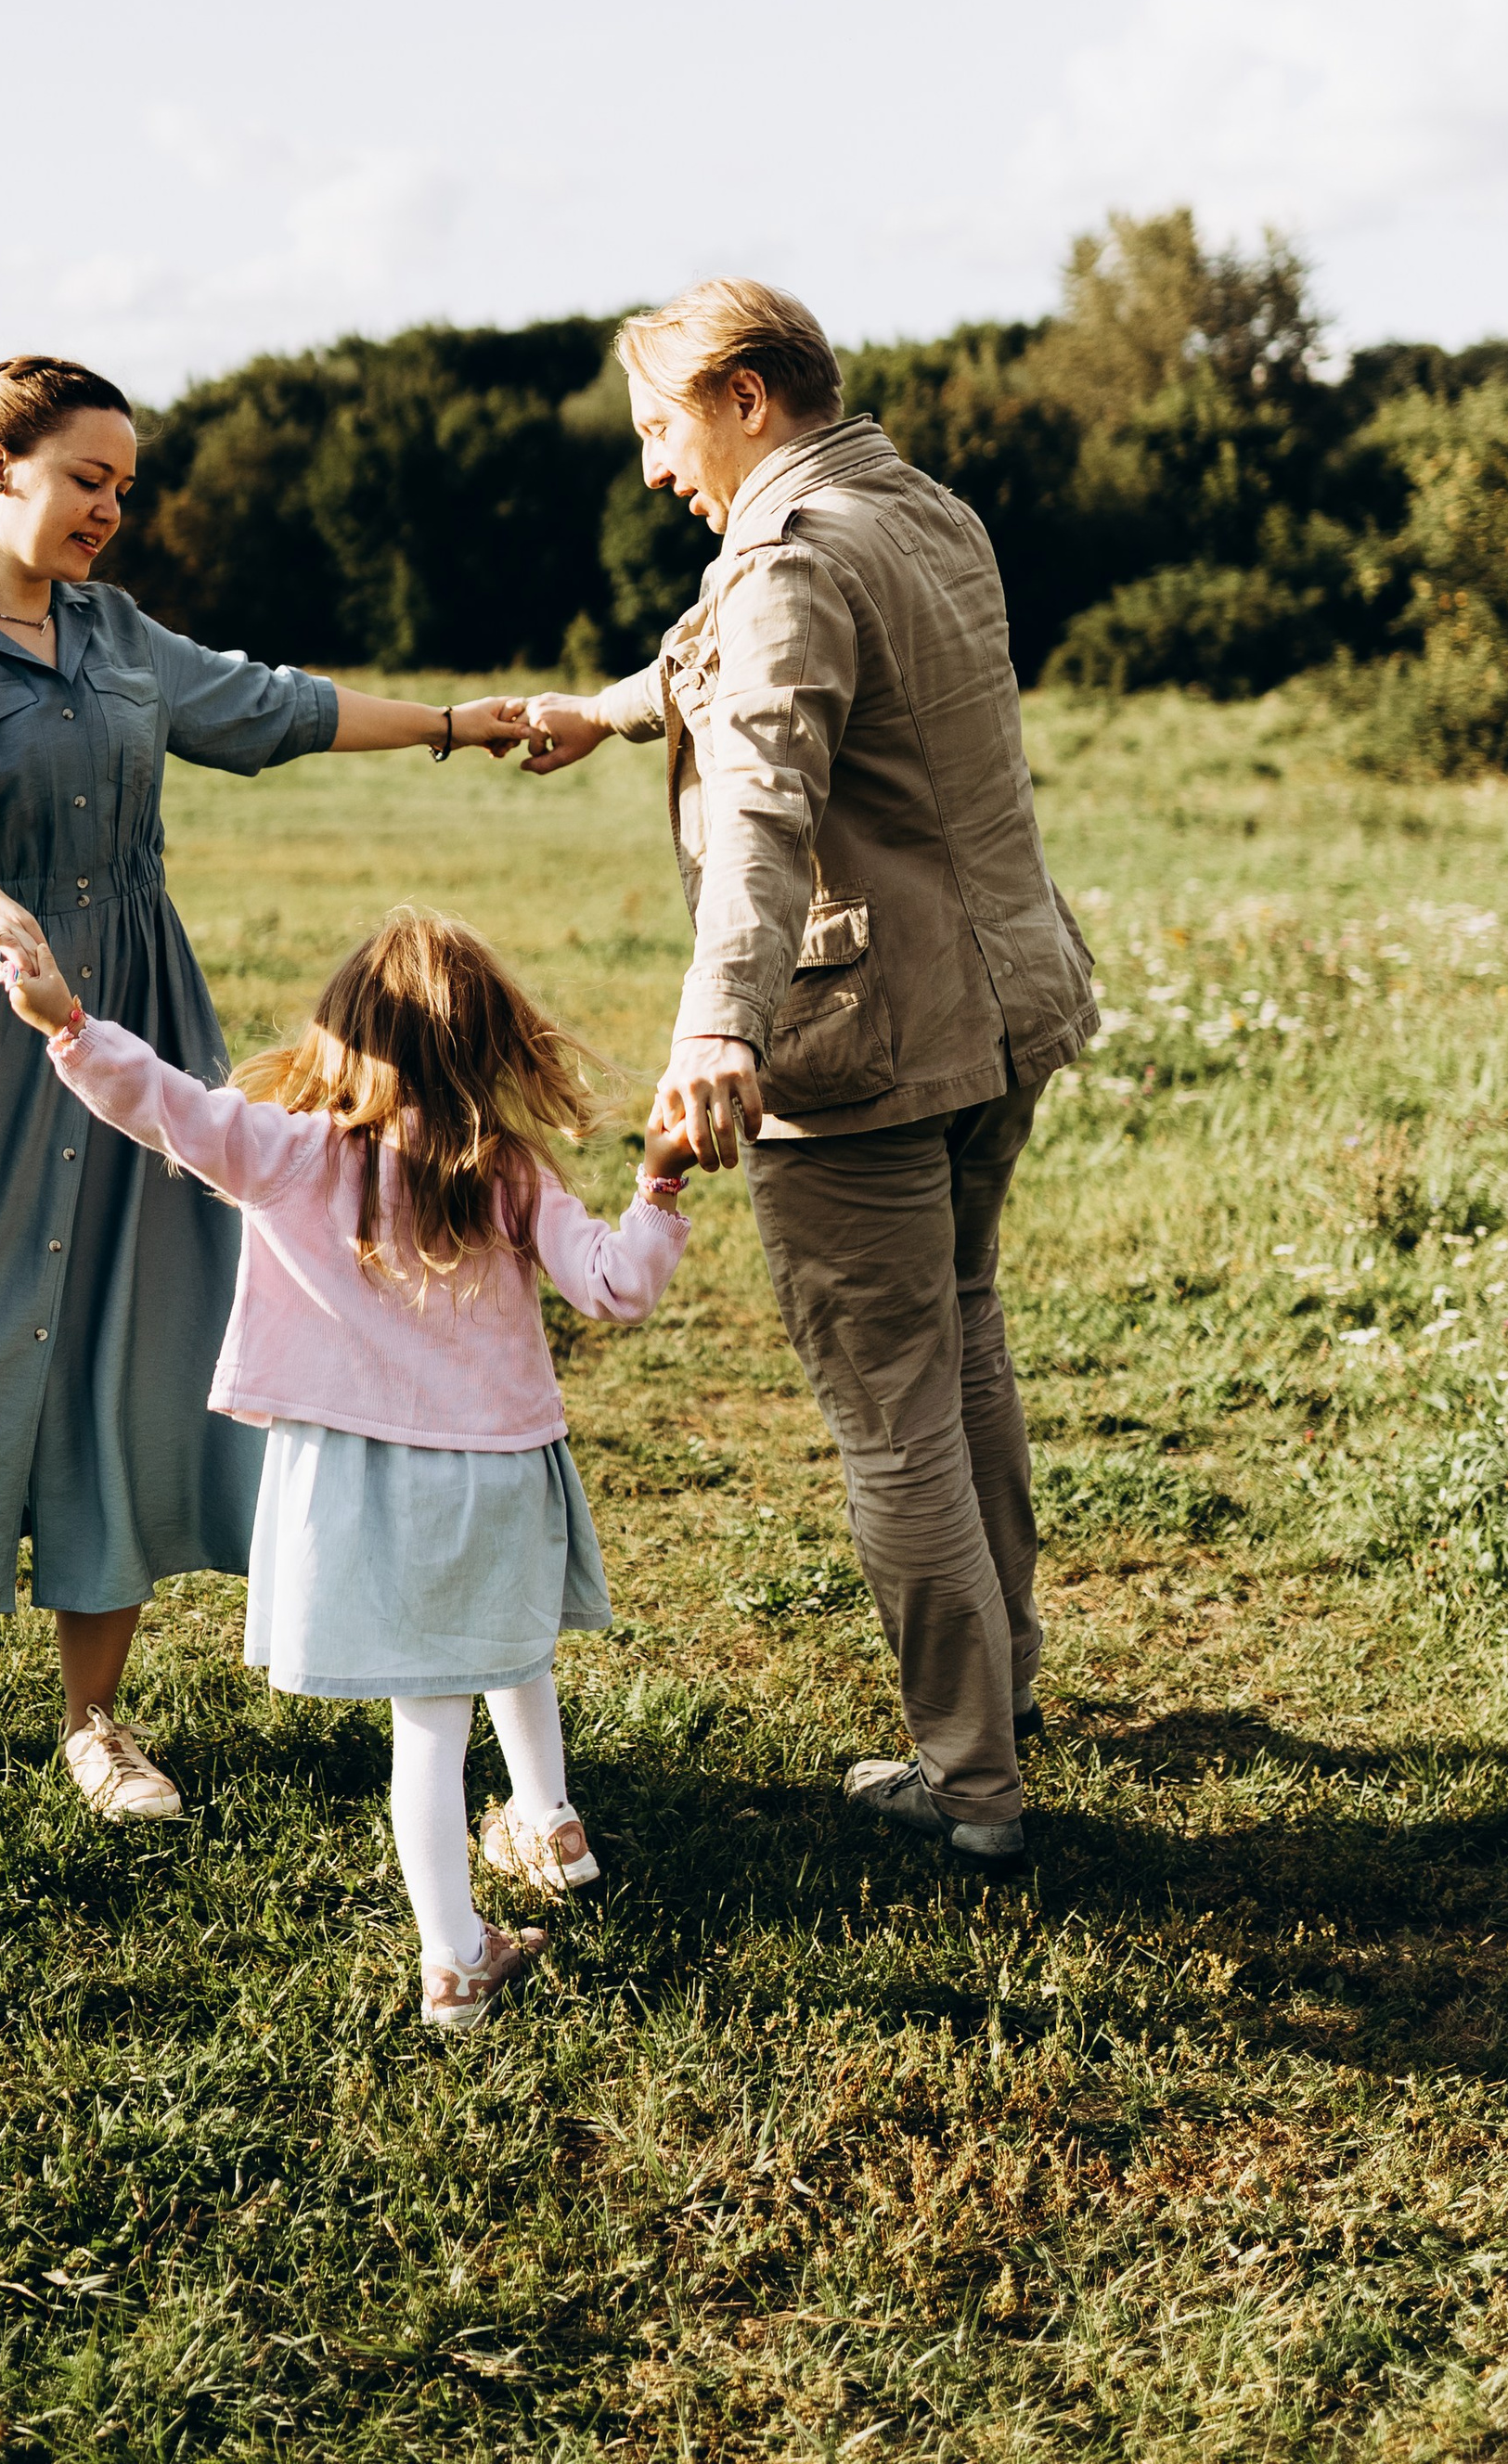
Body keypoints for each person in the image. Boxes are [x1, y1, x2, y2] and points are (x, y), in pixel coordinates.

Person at [0, 354, 526, 1810]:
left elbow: (272, 710)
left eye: (125, 488)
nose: (110, 511)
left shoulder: (117, 634)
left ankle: (96, 1717)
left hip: (135, 1022)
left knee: (135, 1344)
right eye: (89, 479)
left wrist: (471, 721)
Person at [518, 279, 1097, 1869]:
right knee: (961, 1336)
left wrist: (722, 1028)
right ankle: (1007, 1689)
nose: (652, 467)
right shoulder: (913, 509)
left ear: (747, 397)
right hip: (1003, 1010)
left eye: (661, 426)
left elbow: (766, 805)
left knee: (894, 1414)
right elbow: (739, 664)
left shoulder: (791, 554)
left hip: (866, 1049)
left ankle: (970, 1781)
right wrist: (608, 713)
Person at [0, 906, 696, 2031]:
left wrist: (69, 1024)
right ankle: (548, 1820)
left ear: (339, 1036)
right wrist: (657, 1182)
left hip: (367, 1490)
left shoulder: (286, 1149)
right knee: (508, 1646)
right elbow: (617, 1286)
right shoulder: (506, 1169)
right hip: (504, 1475)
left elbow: (164, 1105)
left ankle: (456, 1958)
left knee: (427, 1728)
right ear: (487, 1046)